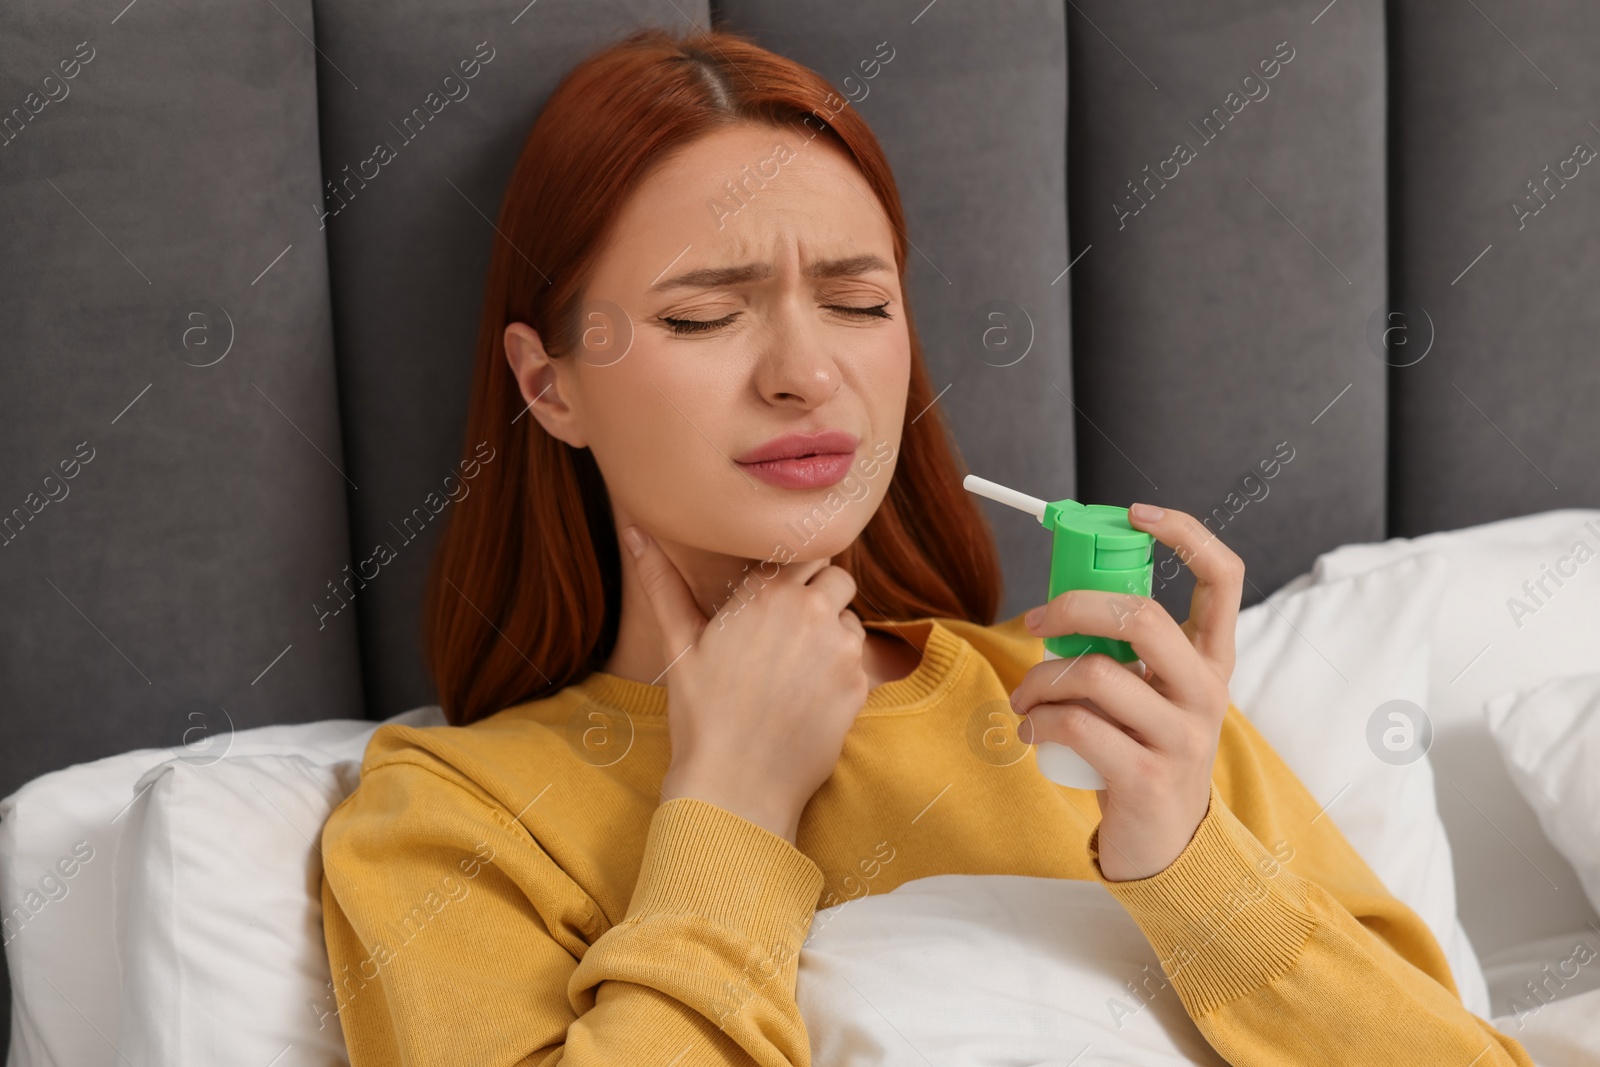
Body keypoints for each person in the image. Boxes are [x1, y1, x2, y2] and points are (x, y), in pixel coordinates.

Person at [318, 25, 1534, 1067]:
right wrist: (729, 804)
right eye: (703, 314)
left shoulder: (1114, 717)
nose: (808, 374)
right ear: (550, 385)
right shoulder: (447, 820)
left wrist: (1189, 859)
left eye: (859, 303)